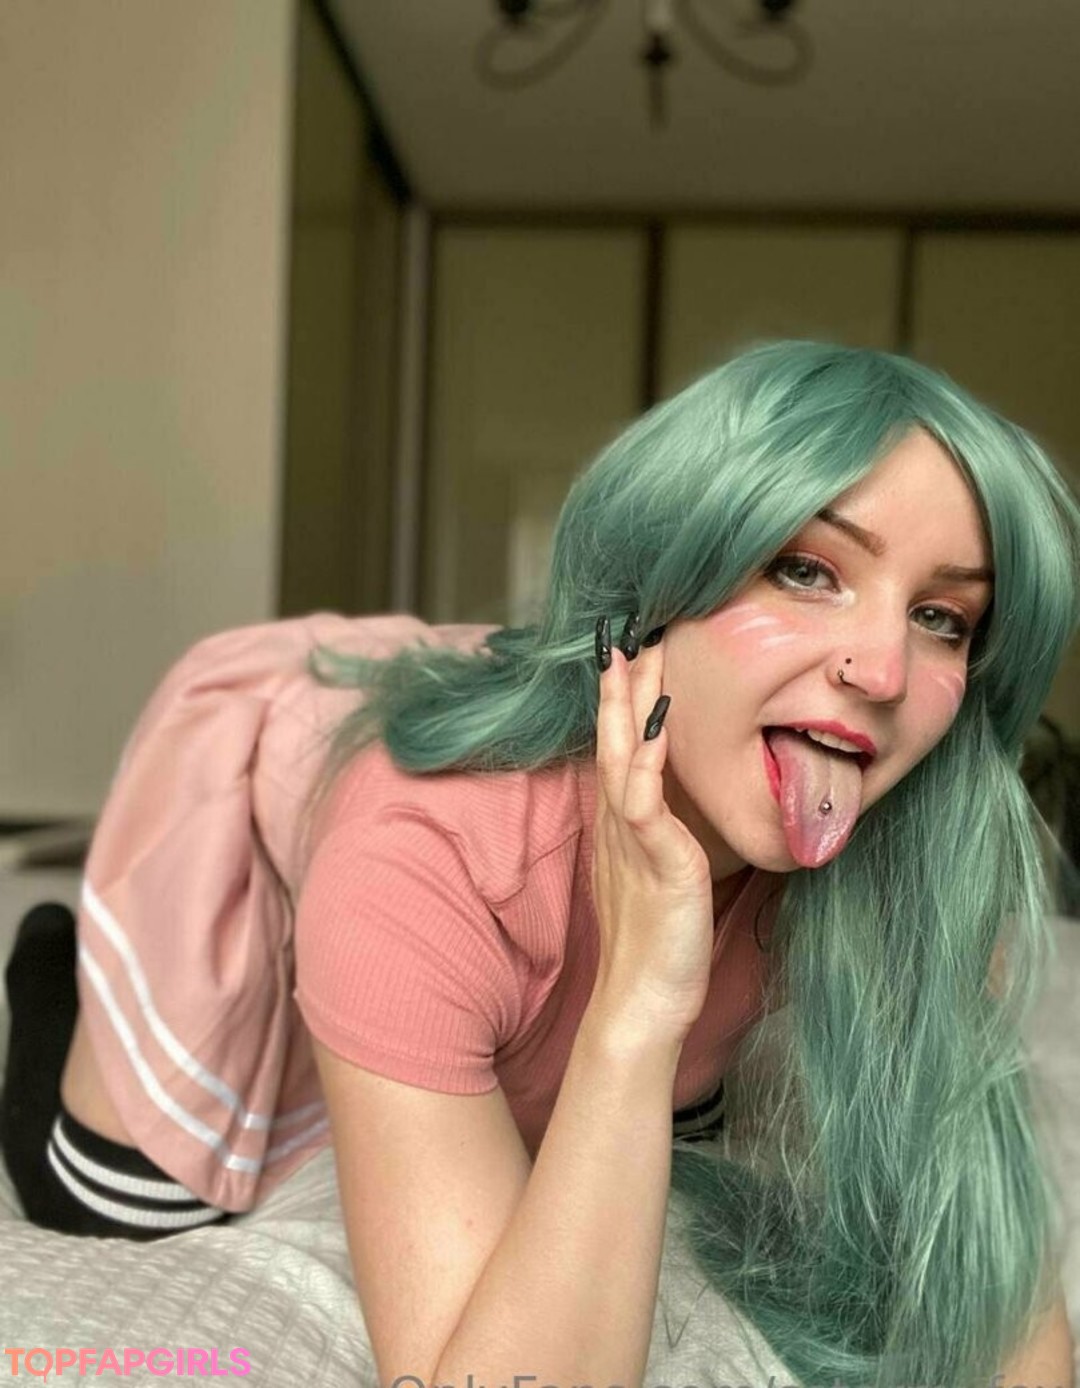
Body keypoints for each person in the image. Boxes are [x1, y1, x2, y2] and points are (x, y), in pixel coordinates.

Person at [2, 340, 1078, 1387]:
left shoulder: (902, 832)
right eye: (805, 569)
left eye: (942, 617)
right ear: (662, 579)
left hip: (583, 743)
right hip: (323, 783)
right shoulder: (423, 837)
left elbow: (1002, 1290)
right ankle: (52, 972)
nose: (884, 670)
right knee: (114, 1195)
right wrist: (638, 1009)